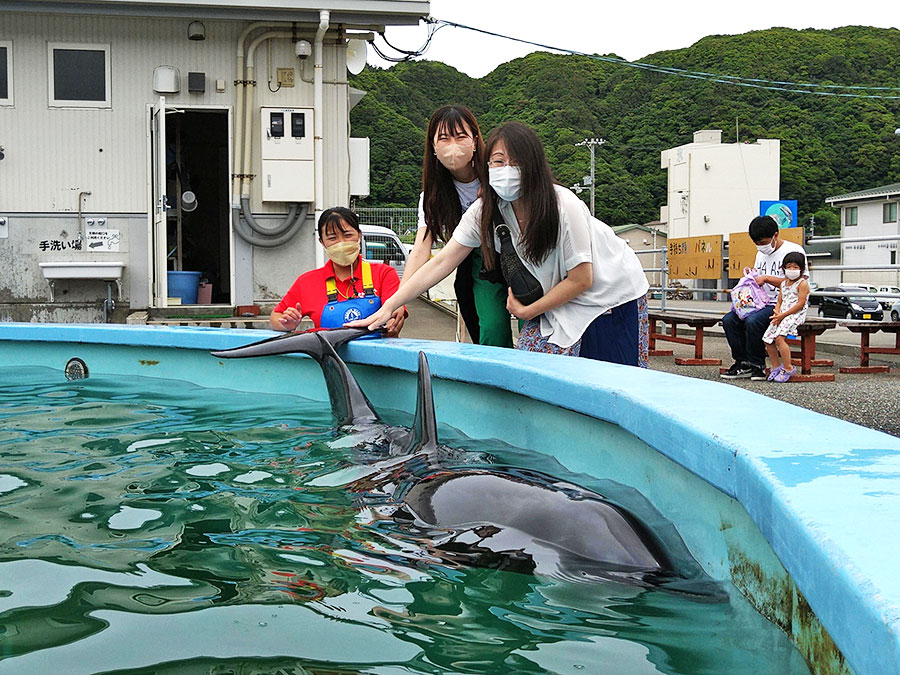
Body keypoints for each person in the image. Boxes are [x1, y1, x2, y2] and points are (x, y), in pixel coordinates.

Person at [349, 121, 650, 365]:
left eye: (515, 162)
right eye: (498, 161)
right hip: (558, 299)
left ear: (534, 165)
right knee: (535, 373)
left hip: (609, 294)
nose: (506, 169)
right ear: (488, 166)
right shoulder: (487, 210)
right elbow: (441, 261)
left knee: (609, 381)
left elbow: (582, 279)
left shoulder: (562, 205)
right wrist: (389, 306)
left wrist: (529, 312)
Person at [404, 105, 512, 347]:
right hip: (480, 264)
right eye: (443, 138)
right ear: (433, 146)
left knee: (534, 325)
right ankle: (497, 380)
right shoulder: (432, 197)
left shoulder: (498, 173)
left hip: (518, 254)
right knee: (492, 328)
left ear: (475, 140)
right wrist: (400, 299)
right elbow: (421, 249)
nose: (453, 144)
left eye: (460, 136)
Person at [270, 207, 407, 336]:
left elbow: (396, 311)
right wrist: (287, 324)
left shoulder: (383, 274)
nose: (341, 243)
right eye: (332, 238)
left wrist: (393, 320)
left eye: (347, 235)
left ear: (359, 236)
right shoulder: (307, 282)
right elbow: (276, 317)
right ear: (322, 242)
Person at [721, 216, 807, 380]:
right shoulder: (760, 254)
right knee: (729, 320)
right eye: (757, 243)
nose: (761, 246)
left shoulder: (793, 252)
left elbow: (800, 283)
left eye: (763, 242)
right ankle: (742, 362)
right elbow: (758, 276)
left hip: (783, 305)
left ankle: (757, 365)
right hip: (759, 302)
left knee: (753, 321)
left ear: (775, 235)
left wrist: (767, 279)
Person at [762, 252, 810, 383]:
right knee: (767, 338)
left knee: (779, 338)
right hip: (781, 314)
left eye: (795, 267)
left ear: (801, 269)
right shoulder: (783, 284)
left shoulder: (802, 283)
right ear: (784, 268)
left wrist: (783, 315)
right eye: (789, 266)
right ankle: (776, 367)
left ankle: (788, 367)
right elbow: (779, 301)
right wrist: (777, 312)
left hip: (795, 314)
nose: (792, 270)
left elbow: (800, 304)